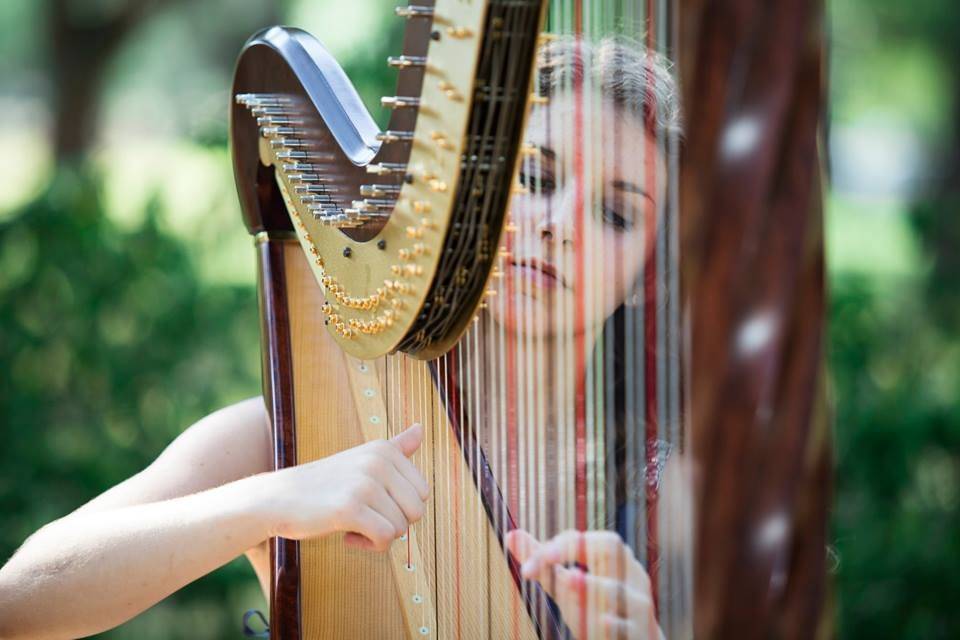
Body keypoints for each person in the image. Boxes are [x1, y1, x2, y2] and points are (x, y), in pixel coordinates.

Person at [0, 36, 684, 640]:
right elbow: (19, 601)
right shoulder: (294, 442)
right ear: (468, 196)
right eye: (535, 177)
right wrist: (271, 499)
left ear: (645, 276)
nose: (557, 223)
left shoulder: (666, 499)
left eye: (617, 214)